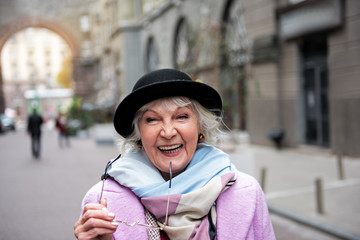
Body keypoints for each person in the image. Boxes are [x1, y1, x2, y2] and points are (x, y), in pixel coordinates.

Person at [74, 69, 275, 240]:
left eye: (181, 116)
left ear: (200, 128)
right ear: (138, 135)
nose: (168, 132)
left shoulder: (246, 193)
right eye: (152, 120)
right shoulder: (103, 203)